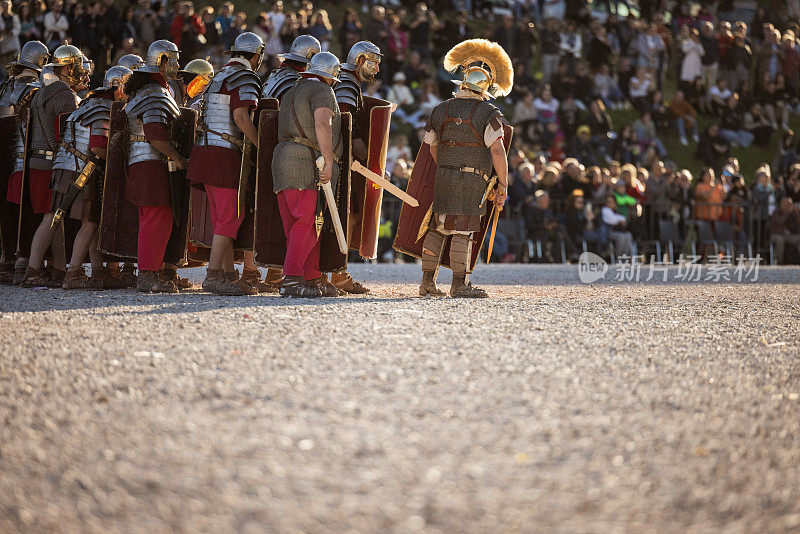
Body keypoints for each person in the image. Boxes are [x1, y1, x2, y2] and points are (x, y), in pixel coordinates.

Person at [416, 38, 511, 298]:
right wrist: (503, 182)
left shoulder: (440, 110)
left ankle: (427, 283)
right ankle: (459, 285)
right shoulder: (488, 113)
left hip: (445, 177)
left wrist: (448, 167)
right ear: (485, 88)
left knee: (438, 228)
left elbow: (431, 146)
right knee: (464, 230)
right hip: (472, 181)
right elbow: (497, 151)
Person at [188, 32, 263, 296]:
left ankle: (229, 275)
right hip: (224, 154)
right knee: (232, 215)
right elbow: (241, 117)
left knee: (223, 218)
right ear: (255, 55)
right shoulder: (245, 77)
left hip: (206, 151)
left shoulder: (216, 76)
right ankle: (213, 276)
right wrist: (261, 146)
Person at [50, 66, 133, 289]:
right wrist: (117, 163)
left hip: (73, 168)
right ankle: (74, 273)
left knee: (92, 222)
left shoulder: (90, 101)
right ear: (119, 88)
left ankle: (97, 273)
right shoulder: (104, 107)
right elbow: (97, 146)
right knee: (89, 223)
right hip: (84, 171)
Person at [272, 51, 343, 298]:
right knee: (309, 223)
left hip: (282, 158)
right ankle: (291, 280)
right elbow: (322, 123)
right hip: (305, 161)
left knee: (299, 226)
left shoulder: (292, 89)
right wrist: (330, 161)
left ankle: (310, 279)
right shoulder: (323, 90)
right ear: (331, 75)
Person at [17, 45, 83, 288]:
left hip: (36, 162)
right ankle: (33, 271)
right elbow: (69, 134)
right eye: (77, 67)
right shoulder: (64, 93)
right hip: (50, 163)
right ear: (67, 68)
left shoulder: (42, 91)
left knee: (57, 216)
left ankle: (58, 270)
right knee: (52, 217)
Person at [122, 40, 186, 293]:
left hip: (146, 163)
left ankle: (152, 270)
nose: (178, 65)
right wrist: (177, 157)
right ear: (161, 61)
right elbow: (155, 135)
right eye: (174, 59)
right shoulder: (154, 93)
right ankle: (148, 274)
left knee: (155, 218)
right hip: (150, 162)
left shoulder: (152, 89)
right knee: (156, 218)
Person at [259, 34, 320, 291]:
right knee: (301, 219)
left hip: (268, 151)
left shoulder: (272, 78)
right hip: (293, 153)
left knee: (278, 216)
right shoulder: (297, 84)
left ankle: (275, 274)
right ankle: (290, 276)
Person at [332, 40, 382, 295]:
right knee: (345, 214)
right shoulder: (347, 83)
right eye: (373, 62)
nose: (375, 69)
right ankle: (337, 273)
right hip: (337, 159)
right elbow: (344, 124)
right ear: (361, 60)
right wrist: (366, 156)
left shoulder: (345, 80)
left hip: (339, 158)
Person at [0, 40, 49, 285]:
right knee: (24, 213)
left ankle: (7, 259)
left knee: (7, 211)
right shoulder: (37, 89)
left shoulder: (5, 87)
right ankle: (20, 262)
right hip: (24, 156)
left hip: (7, 156)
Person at [769, 197, 800, 264]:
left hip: (787, 236)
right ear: (782, 204)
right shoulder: (776, 211)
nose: (789, 206)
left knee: (798, 238)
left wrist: (797, 213)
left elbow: (798, 223)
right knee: (780, 240)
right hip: (776, 235)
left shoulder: (791, 213)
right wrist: (788, 212)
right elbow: (780, 221)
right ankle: (780, 262)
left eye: (790, 204)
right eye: (787, 204)